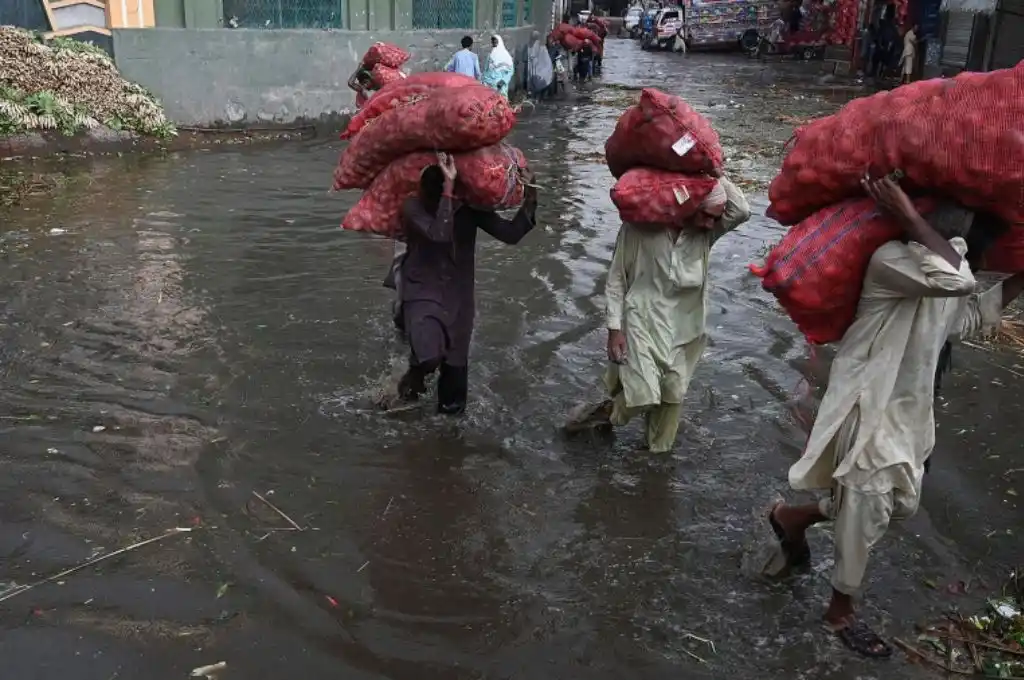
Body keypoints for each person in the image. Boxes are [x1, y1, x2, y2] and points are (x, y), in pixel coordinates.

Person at [765, 178, 1024, 659]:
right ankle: (839, 612)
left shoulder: (938, 268)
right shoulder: (891, 261)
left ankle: (791, 517)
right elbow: (958, 281)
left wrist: (1020, 277)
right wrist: (908, 216)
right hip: (868, 407)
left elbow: (965, 316)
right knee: (866, 503)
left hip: (909, 411)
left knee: (896, 505)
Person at [564, 178, 752, 452]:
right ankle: (600, 414)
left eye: (716, 218)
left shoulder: (705, 233)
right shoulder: (640, 228)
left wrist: (713, 170)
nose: (713, 223)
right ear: (688, 208)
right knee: (644, 396)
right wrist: (614, 328)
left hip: (686, 325)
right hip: (642, 319)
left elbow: (742, 211)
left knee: (672, 395)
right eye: (708, 217)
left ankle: (656, 462)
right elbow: (616, 279)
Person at [384, 153, 538, 415]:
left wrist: (532, 194)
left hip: (459, 300)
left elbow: (511, 234)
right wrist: (448, 190)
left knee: (453, 402)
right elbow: (439, 234)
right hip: (422, 292)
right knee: (429, 358)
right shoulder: (412, 207)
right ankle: (410, 379)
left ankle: (447, 449)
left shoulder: (469, 209)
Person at [482, 34, 515, 99]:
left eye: (495, 41)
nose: (494, 43)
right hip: (489, 84)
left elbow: (511, 71)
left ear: (499, 41)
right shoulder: (490, 55)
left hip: (500, 85)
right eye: (492, 41)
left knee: (501, 103)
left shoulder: (506, 55)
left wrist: (503, 81)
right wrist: (483, 80)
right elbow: (486, 69)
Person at [527, 30, 554, 99]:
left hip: (540, 75)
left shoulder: (542, 48)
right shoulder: (529, 47)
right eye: (533, 38)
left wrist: (542, 74)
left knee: (539, 92)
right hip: (534, 75)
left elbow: (547, 63)